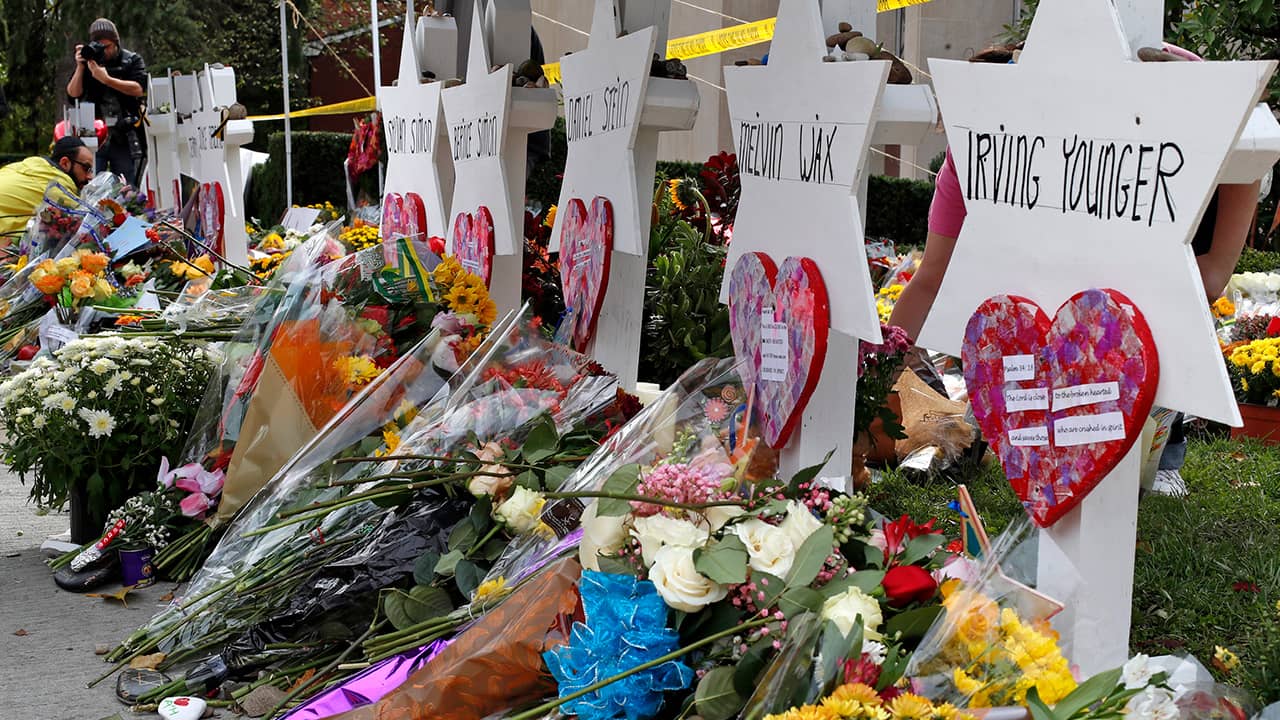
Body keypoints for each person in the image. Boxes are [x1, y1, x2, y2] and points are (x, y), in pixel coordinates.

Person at [889, 43, 1261, 497]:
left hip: (1166, 228)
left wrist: (1196, 276)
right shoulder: (973, 155)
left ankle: (1159, 451)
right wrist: (883, 371)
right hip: (1059, 288)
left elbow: (1213, 267)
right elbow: (932, 279)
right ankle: (1030, 428)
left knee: (1129, 321)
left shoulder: (1185, 89)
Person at [65, 18, 148, 186]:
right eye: (100, 46)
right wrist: (81, 67)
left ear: (116, 43)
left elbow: (139, 88)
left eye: (107, 46)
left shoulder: (131, 60)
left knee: (127, 187)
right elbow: (73, 94)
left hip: (125, 135)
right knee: (92, 185)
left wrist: (107, 79)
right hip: (94, 136)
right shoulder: (90, 63)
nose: (104, 51)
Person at [0, 137, 96, 247]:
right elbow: (89, 220)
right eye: (86, 168)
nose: (90, 176)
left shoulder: (26, 167)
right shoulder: (55, 186)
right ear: (65, 163)